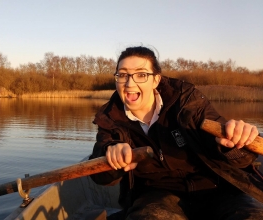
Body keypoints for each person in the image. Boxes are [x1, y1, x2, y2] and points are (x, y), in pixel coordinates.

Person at [89, 46, 263, 219]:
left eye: (141, 75)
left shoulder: (187, 101)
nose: (129, 83)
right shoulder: (109, 117)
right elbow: (101, 177)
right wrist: (110, 156)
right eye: (123, 75)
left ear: (156, 80)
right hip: (156, 196)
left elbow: (243, 159)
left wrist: (236, 143)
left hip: (217, 188)